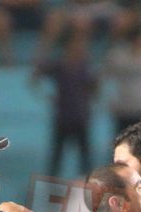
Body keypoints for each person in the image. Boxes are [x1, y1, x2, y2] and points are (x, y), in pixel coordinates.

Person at [33, 29, 98, 177]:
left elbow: (94, 88)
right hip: (63, 116)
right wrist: (46, 96)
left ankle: (87, 185)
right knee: (56, 158)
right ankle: (51, 186)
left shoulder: (85, 67)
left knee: (85, 158)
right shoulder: (59, 66)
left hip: (81, 116)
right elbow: (35, 75)